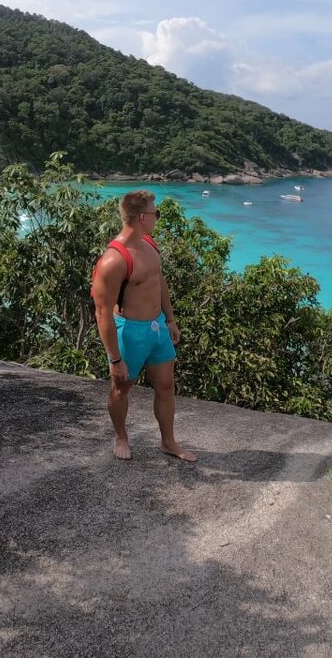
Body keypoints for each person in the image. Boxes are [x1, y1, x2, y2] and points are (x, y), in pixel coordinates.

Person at [92, 190, 196, 462]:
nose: (157, 218)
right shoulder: (114, 260)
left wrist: (170, 319)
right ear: (142, 217)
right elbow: (102, 313)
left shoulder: (149, 245)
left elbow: (159, 282)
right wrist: (115, 358)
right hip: (130, 332)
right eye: (155, 213)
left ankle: (168, 442)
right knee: (121, 388)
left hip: (156, 328)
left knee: (166, 386)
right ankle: (121, 437)